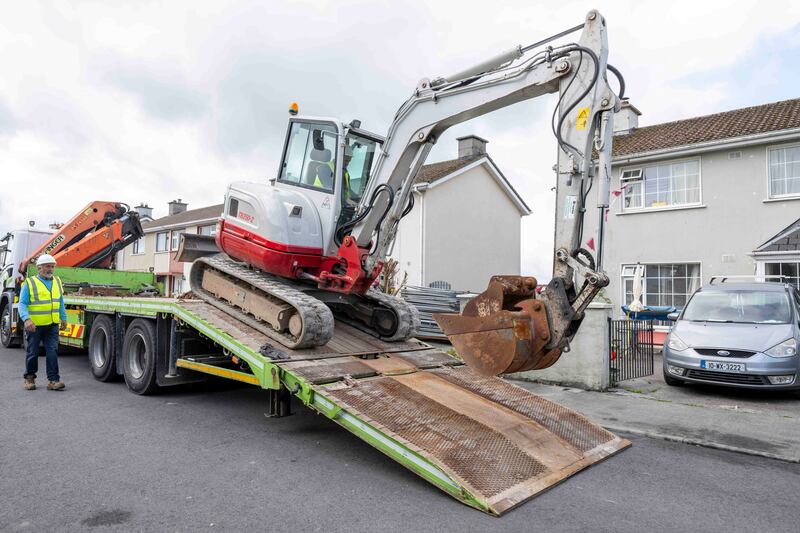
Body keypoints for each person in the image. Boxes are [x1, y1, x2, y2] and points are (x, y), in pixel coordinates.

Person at [20, 254, 66, 391]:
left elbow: (60, 301)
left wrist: (63, 318)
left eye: (52, 266)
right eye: (47, 266)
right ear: (39, 268)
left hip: (52, 324)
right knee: (33, 352)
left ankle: (53, 380)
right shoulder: (30, 283)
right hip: (34, 325)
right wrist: (26, 319)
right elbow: (22, 303)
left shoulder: (57, 281)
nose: (50, 269)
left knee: (52, 351)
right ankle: (29, 378)